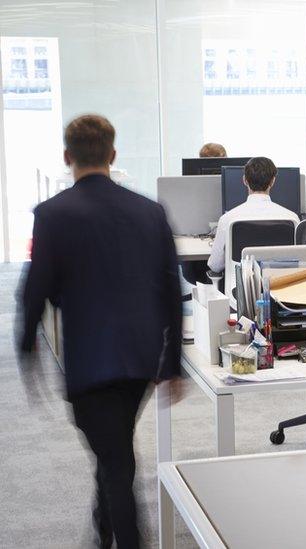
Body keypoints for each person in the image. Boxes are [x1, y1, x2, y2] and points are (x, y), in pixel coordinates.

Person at [18, 114, 184, 549]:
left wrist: (26, 346)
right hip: (141, 357)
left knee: (116, 462)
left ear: (68, 156)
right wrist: (172, 363)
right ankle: (102, 529)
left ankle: (125, 538)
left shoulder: (52, 214)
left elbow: (37, 289)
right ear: (113, 155)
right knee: (113, 449)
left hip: (91, 361)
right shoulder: (150, 211)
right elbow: (171, 286)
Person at [207, 156, 300, 273]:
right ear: (273, 181)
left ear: (245, 180)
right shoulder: (292, 218)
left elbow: (215, 265)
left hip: (240, 288)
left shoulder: (228, 219)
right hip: (281, 285)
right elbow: (298, 260)